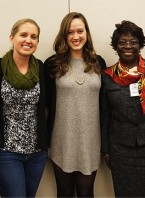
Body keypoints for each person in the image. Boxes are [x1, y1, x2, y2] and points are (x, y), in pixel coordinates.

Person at [100, 20, 145, 197]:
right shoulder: (107, 76)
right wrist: (106, 150)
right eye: (122, 42)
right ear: (115, 46)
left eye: (133, 42)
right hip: (121, 150)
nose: (128, 46)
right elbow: (104, 115)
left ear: (140, 44)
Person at [0, 18, 48, 197]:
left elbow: (46, 103)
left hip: (37, 153)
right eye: (23, 35)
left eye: (34, 37)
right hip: (6, 152)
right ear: (12, 38)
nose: (28, 40)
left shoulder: (41, 68)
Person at [44, 12, 106, 197]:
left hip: (90, 141)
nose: (76, 36)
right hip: (62, 140)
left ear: (87, 33)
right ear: (64, 35)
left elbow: (104, 104)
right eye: (70, 32)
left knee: (87, 193)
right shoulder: (52, 64)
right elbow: (44, 104)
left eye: (80, 31)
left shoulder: (98, 63)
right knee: (64, 192)